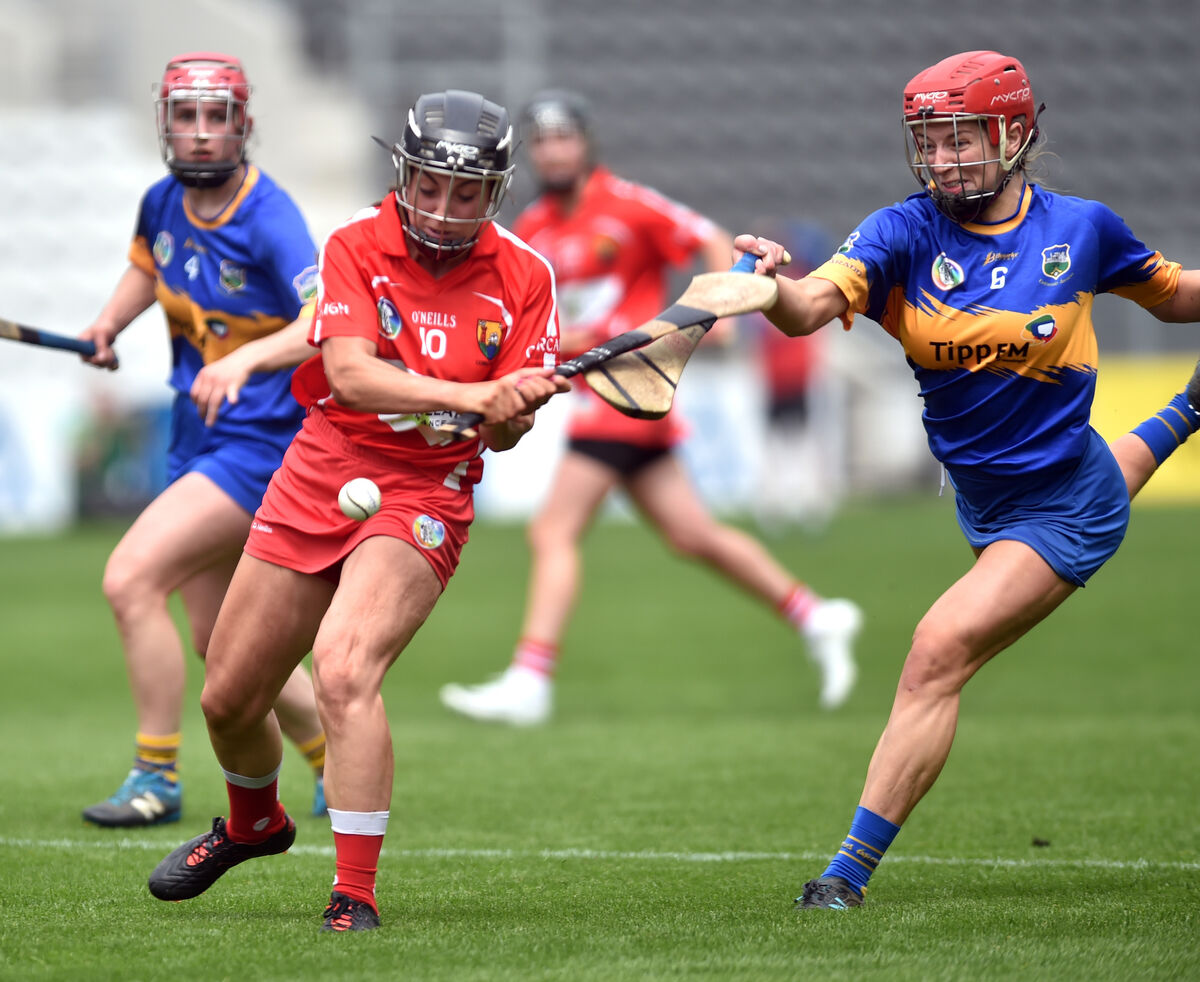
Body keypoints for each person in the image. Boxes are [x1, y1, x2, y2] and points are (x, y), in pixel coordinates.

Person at [733, 50, 1200, 910]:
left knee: (936, 653)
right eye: (930, 141)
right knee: (1106, 470)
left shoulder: (1083, 230)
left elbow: (1174, 296)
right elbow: (808, 311)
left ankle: (845, 875)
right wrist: (772, 290)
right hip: (991, 496)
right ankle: (1194, 406)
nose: (943, 159)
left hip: (1062, 507)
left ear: (1016, 133)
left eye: (962, 139)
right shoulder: (901, 234)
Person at [146, 89, 570, 932]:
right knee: (229, 698)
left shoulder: (526, 276)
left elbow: (509, 436)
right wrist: (477, 390)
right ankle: (252, 823)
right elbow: (349, 373)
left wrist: (511, 413)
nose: (443, 210)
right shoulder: (355, 243)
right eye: (428, 186)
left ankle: (354, 890)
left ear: (498, 192)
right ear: (403, 175)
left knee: (344, 670)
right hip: (321, 467)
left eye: (467, 194)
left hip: (425, 492)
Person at [438, 89, 862, 727]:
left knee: (552, 531)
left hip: (629, 387)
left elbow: (711, 240)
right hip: (604, 390)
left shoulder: (627, 205)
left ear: (586, 143)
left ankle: (531, 678)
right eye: (543, 140)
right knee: (693, 535)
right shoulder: (533, 231)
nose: (554, 150)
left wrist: (724, 307)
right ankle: (815, 615)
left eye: (565, 137)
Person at [78, 52, 329, 827]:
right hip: (197, 436)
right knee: (224, 646)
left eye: (215, 117)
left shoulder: (270, 216)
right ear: (166, 123)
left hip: (262, 445)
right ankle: (332, 754)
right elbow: (147, 269)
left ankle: (156, 776)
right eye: (185, 117)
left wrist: (250, 358)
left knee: (130, 580)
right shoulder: (161, 202)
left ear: (242, 124)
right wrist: (107, 325)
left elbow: (324, 321)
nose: (199, 133)